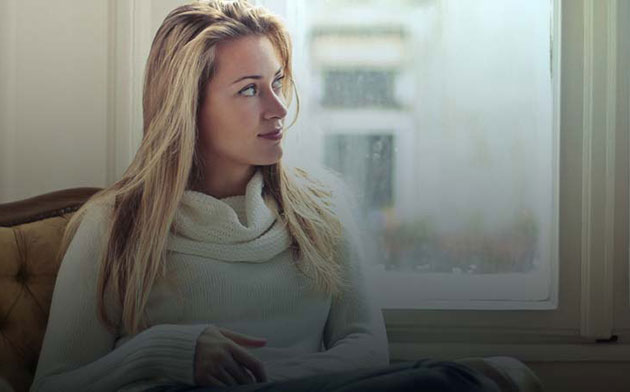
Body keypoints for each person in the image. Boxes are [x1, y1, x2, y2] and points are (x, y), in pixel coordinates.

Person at [30, 1, 501, 391]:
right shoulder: (112, 227)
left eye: (277, 83)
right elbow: (52, 385)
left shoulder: (323, 206)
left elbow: (366, 347)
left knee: (458, 379)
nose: (278, 108)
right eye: (250, 90)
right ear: (187, 108)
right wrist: (165, 352)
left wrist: (271, 378)